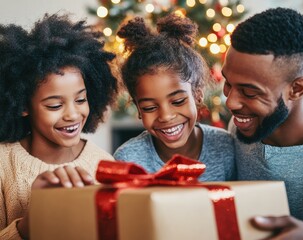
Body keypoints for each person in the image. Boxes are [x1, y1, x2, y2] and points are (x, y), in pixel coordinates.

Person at [0, 13, 118, 239]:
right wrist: (29, 224)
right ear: (24, 105)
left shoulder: (104, 164)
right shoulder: (3, 165)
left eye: (81, 100)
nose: (73, 114)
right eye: (55, 105)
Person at [222, 7, 303, 239]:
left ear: (296, 89)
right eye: (228, 84)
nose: (231, 103)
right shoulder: (238, 129)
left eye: (249, 92)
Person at [113, 14, 236, 182]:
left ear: (197, 94)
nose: (166, 116)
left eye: (178, 101)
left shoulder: (226, 147)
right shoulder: (128, 158)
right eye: (149, 107)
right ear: (139, 109)